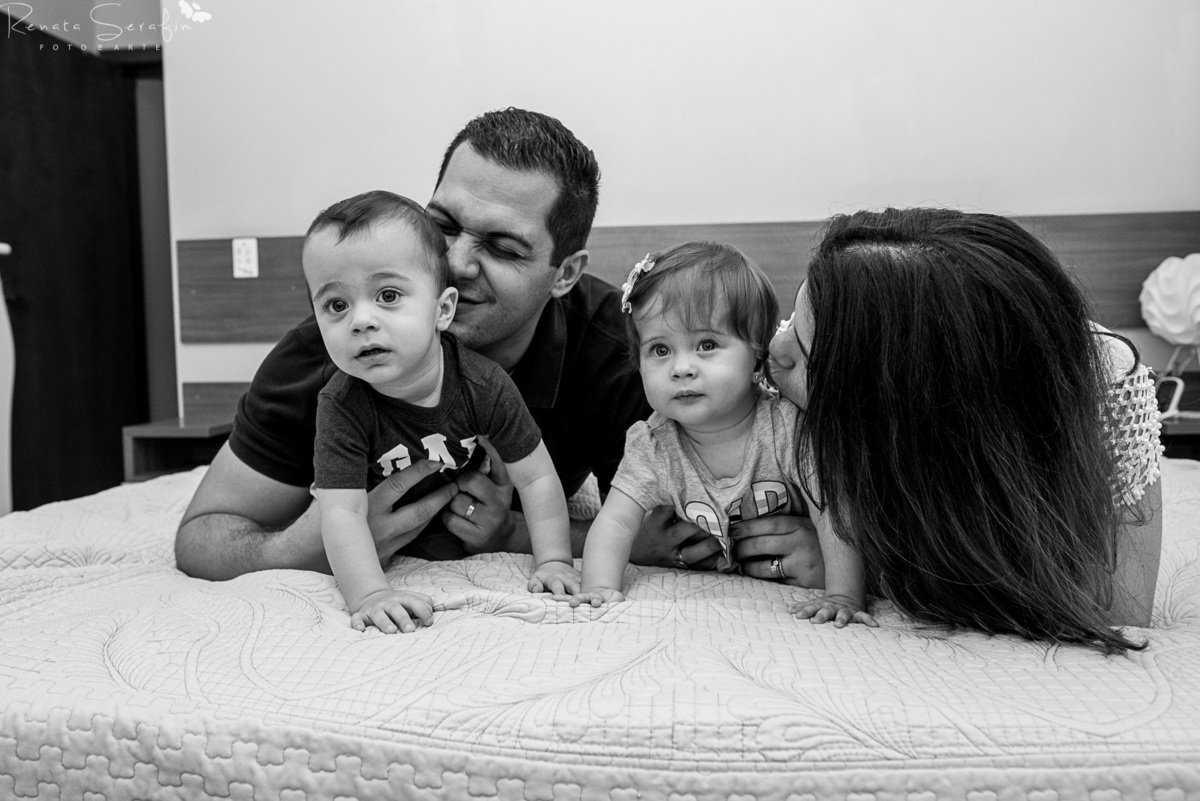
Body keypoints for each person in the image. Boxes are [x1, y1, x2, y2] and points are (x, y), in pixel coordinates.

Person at [175, 108, 741, 581]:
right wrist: (314, 543)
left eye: (503, 247)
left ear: (564, 274)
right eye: (443, 225)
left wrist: (515, 532)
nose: (455, 262)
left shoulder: (625, 351)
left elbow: (679, 528)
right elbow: (203, 537)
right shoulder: (334, 347)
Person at [762, 207, 1163, 653]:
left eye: (803, 353)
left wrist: (854, 569)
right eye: (794, 316)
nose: (773, 350)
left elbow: (1120, 610)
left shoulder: (1107, 387)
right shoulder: (757, 365)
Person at [303, 190, 579, 633]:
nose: (360, 320)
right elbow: (342, 514)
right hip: (386, 543)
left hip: (458, 533)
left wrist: (554, 562)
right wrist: (371, 594)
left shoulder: (483, 385)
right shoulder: (341, 405)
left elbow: (537, 477)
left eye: (388, 295)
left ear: (443, 309)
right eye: (336, 305)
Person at [573, 242, 874, 626]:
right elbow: (615, 522)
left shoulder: (788, 428)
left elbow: (832, 511)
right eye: (660, 350)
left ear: (757, 356)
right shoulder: (652, 444)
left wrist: (843, 594)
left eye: (707, 345)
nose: (681, 368)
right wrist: (599, 588)